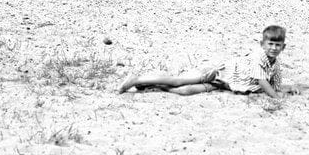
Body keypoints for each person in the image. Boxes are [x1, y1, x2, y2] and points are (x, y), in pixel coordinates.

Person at [118, 25, 289, 99]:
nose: (273, 48)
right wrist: (276, 98)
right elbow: (263, 82)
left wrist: (286, 89)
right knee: (179, 80)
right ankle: (137, 80)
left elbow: (275, 82)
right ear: (262, 44)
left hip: (227, 85)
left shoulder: (275, 63)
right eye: (270, 44)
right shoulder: (258, 57)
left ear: (283, 47)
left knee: (186, 91)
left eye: (277, 45)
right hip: (220, 74)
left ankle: (152, 87)